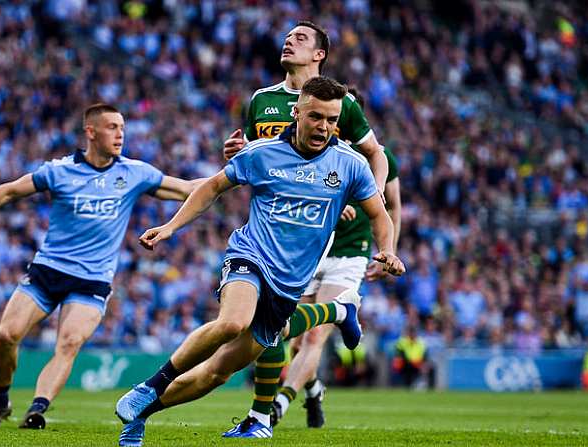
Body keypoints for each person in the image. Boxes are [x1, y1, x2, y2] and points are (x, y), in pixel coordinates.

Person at [114, 77, 405, 446]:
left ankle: (142, 413)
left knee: (217, 373)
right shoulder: (263, 153)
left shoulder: (349, 165)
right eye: (316, 117)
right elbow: (213, 186)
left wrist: (389, 249)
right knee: (232, 321)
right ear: (296, 113)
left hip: (290, 283)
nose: (324, 127)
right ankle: (150, 385)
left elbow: (381, 215)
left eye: (332, 120)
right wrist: (172, 227)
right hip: (250, 257)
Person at [0, 103, 201, 430]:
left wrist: (236, 173)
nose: (120, 134)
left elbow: (188, 189)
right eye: (112, 127)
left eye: (122, 127)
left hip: (92, 281)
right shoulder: (59, 171)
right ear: (91, 132)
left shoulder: (135, 173)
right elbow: (9, 192)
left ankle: (37, 409)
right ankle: (1, 401)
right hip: (48, 271)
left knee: (69, 342)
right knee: (6, 336)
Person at [222, 20, 400, 431]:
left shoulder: (343, 104)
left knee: (310, 337)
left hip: (345, 240)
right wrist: (237, 152)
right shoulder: (262, 101)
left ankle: (272, 408)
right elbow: (259, 161)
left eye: (300, 38)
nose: (288, 40)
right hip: (290, 236)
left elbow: (379, 157)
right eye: (287, 36)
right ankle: (312, 385)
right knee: (283, 330)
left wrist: (358, 197)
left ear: (319, 54)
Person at [271, 86, 401, 429]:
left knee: (316, 337)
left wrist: (388, 250)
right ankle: (313, 392)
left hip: (350, 254)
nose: (333, 124)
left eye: (339, 118)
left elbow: (391, 207)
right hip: (311, 250)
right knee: (298, 344)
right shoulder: (316, 152)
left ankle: (280, 404)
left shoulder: (374, 158)